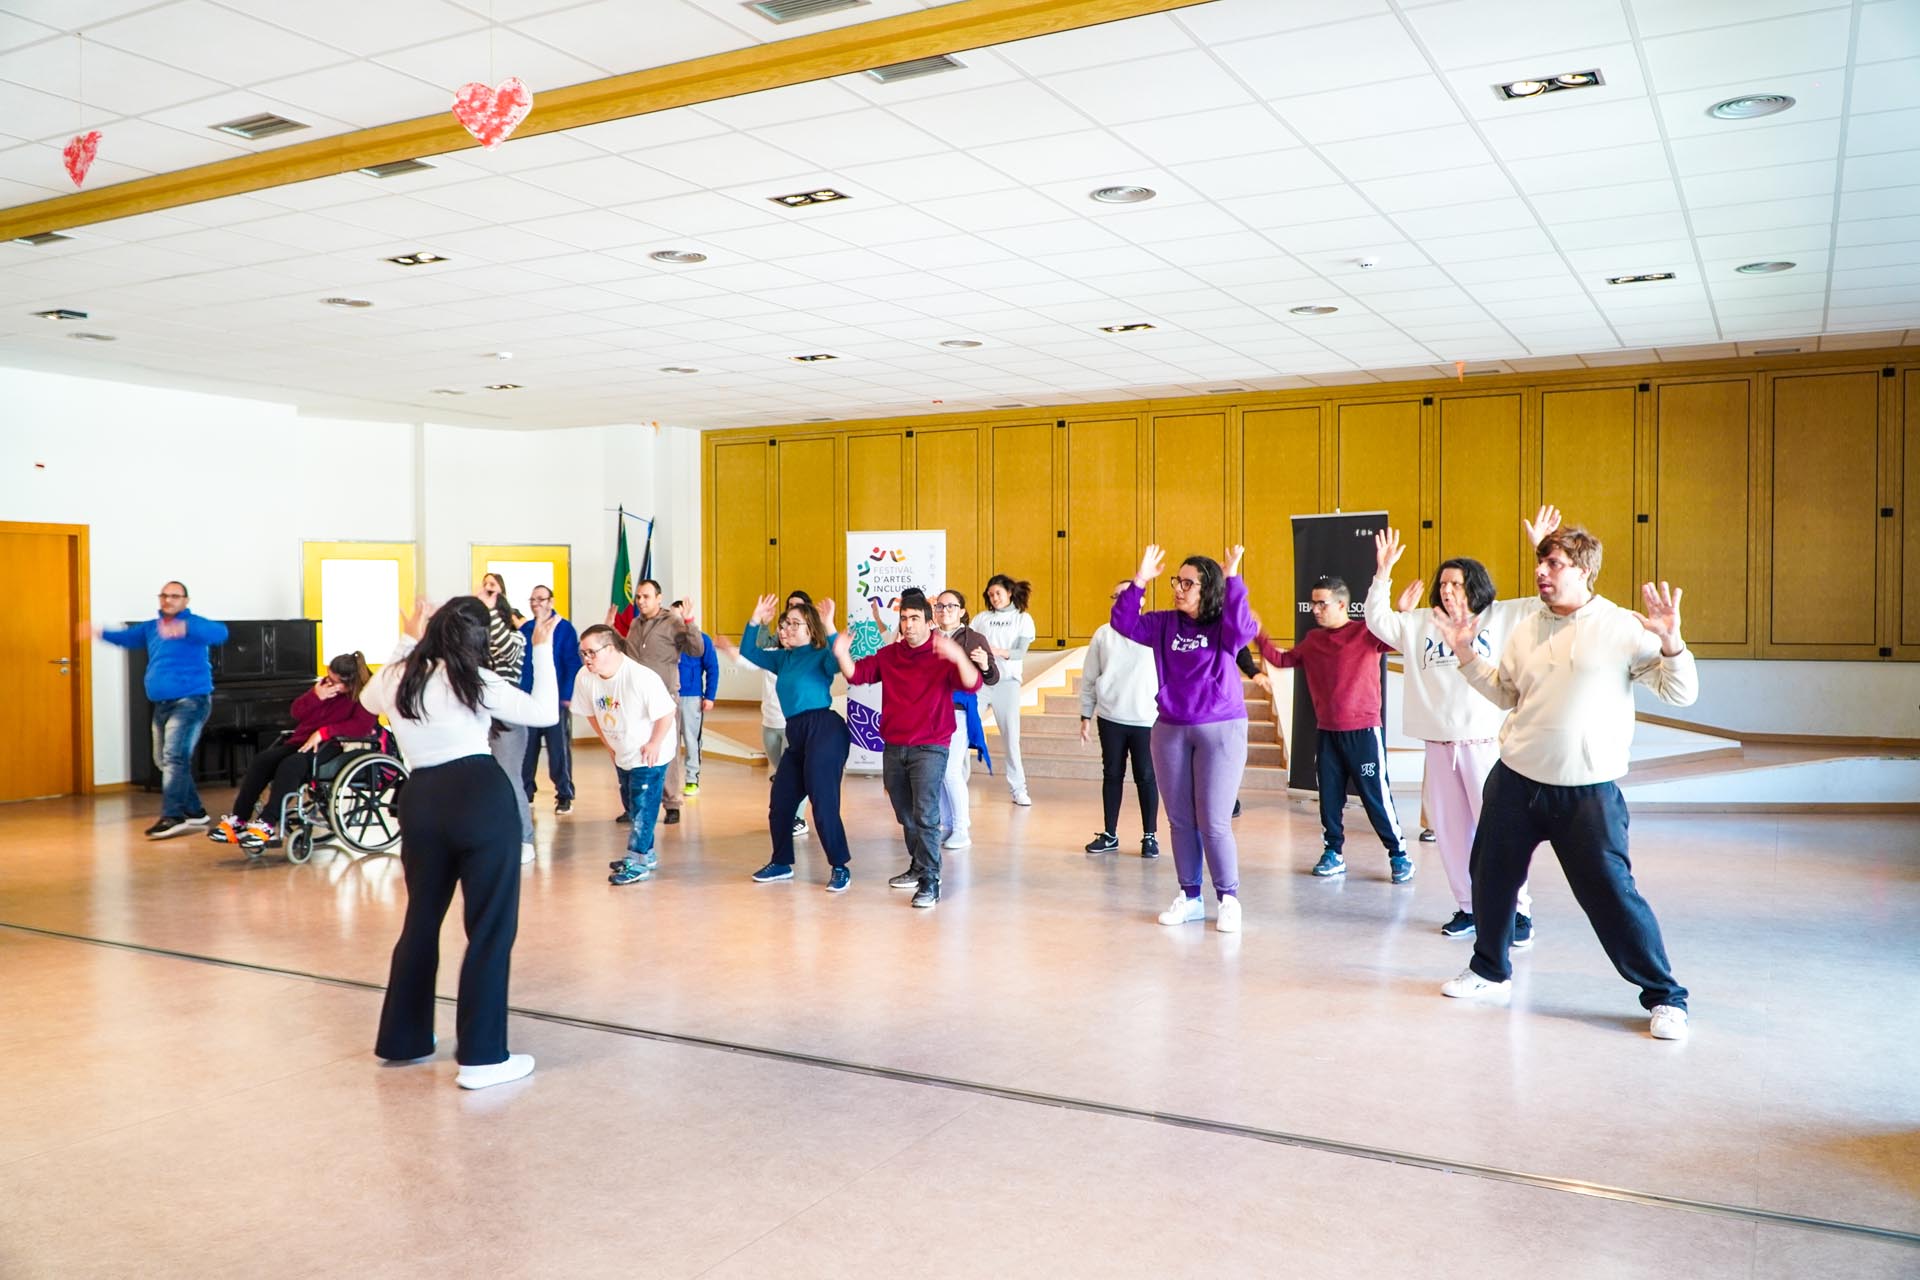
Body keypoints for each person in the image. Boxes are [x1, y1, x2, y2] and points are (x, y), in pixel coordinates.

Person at [1434, 525, 1698, 1042]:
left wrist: (1671, 643)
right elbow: (1508, 694)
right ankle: (1489, 969)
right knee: (1489, 876)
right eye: (1540, 562)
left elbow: (1680, 693)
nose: (1541, 572)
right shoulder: (1526, 628)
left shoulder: (1623, 627)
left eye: (1553, 564)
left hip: (1588, 792)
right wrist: (1466, 655)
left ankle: (1666, 997)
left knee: (1612, 895)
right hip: (1515, 779)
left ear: (1584, 570)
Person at [363, 596, 559, 1090]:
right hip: (479, 797)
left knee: (421, 921)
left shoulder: (399, 676)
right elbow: (545, 713)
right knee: (490, 927)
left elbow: (367, 700)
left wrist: (406, 637)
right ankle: (482, 1057)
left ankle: (404, 1040)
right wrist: (541, 650)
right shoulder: (473, 677)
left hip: (421, 799)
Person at [1365, 507, 1563, 940]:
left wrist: (1542, 548)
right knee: (1452, 835)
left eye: (1457, 583)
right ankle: (1469, 907)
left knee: (1500, 832)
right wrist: (1383, 574)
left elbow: (1551, 601)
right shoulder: (1421, 623)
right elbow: (1377, 622)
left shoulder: (1502, 617)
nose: (1449, 590)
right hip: (1438, 746)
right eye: (1443, 583)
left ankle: (1519, 912)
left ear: (1475, 587)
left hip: (1485, 745)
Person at [1110, 545, 1255, 932]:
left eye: (1188, 583)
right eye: (1177, 581)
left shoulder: (1223, 623)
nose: (1179, 588)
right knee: (1179, 820)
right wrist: (1139, 580)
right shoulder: (1163, 624)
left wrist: (1234, 577)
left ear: (1208, 589)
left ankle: (1229, 899)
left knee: (1214, 820)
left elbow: (1244, 629)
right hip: (1171, 728)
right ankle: (1190, 896)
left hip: (1220, 729)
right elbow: (1123, 624)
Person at [1256, 575, 1412, 884]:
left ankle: (1399, 855)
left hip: (1364, 731)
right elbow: (1281, 659)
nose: (1315, 609)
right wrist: (1258, 633)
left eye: (1321, 603)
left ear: (1341, 604)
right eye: (1312, 603)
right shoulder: (1313, 640)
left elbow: (1399, 639)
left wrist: (1403, 613)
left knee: (1375, 796)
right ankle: (1333, 852)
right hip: (1327, 733)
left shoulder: (1366, 633)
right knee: (1329, 797)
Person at [833, 588, 981, 909]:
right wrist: (842, 652)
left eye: (915, 618)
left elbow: (972, 684)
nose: (908, 625)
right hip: (895, 745)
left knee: (926, 814)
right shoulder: (890, 655)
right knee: (905, 813)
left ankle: (931, 879)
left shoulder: (942, 654)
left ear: (929, 623)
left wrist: (957, 656)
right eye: (903, 619)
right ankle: (918, 866)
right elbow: (857, 675)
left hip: (931, 745)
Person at [723, 594, 854, 890]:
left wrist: (831, 626)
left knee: (823, 802)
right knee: (780, 802)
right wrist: (756, 620)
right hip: (796, 732)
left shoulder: (820, 653)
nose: (787, 629)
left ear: (811, 629)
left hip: (825, 729)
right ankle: (781, 862)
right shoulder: (782, 658)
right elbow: (747, 652)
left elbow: (838, 659)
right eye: (785, 624)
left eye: (795, 624)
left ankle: (839, 866)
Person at [96, 581, 229, 838]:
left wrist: (185, 627)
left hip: (191, 701)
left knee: (174, 758)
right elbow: (127, 638)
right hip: (162, 703)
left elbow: (220, 633)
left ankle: (173, 816)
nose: (168, 600)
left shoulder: (195, 625)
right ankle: (195, 812)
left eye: (175, 596)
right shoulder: (151, 627)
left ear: (185, 601)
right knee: (165, 760)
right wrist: (100, 632)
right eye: (164, 596)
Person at [213, 652, 377, 856]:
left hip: (336, 746)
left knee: (291, 765)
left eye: (336, 682)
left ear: (350, 683)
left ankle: (267, 823)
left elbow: (361, 726)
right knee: (262, 761)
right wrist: (316, 697)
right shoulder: (324, 688)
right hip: (302, 741)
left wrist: (324, 732)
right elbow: (296, 712)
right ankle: (238, 819)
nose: (330, 683)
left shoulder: (367, 695)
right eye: (329, 678)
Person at [573, 623, 678, 886]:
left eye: (591, 653)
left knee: (644, 807)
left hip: (651, 752)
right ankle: (648, 853)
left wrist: (654, 743)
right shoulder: (584, 678)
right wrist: (608, 744)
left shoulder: (641, 677)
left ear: (610, 649)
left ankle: (637, 860)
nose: (587, 659)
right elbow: (590, 713)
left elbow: (667, 713)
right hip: (623, 750)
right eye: (582, 653)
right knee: (631, 804)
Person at [608, 579, 704, 824]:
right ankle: (632, 807)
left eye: (646, 597)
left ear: (659, 598)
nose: (640, 601)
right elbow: (627, 652)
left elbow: (696, 649)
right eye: (638, 597)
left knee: (666, 751)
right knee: (631, 749)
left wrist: (690, 622)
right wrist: (610, 632)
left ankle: (672, 804)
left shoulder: (673, 622)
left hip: (664, 697)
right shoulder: (635, 623)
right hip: (634, 698)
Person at [1080, 580, 1160, 858]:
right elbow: (1090, 677)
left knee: (1146, 777)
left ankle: (1150, 836)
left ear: (1141, 599)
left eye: (1126, 595)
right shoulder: (1103, 634)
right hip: (1112, 718)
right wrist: (1085, 714)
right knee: (1112, 775)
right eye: (1116, 596)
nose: (1120, 600)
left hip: (1146, 719)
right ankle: (1110, 834)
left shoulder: (1153, 631)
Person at [930, 588, 1000, 852]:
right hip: (929, 711)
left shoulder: (973, 638)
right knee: (936, 772)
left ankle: (961, 828)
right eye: (939, 606)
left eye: (950, 606)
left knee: (950, 770)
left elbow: (992, 677)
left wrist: (984, 665)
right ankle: (946, 825)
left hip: (958, 710)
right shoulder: (929, 635)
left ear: (961, 611)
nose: (944, 611)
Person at [477, 573, 534, 862]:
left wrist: (489, 610)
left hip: (508, 720)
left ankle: (525, 839)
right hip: (480, 719)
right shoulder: (480, 646)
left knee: (510, 779)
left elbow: (503, 645)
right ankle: (492, 837)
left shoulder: (516, 639)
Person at [518, 585, 580, 816]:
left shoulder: (564, 629)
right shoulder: (526, 629)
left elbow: (572, 664)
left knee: (559, 751)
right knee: (526, 750)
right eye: (532, 599)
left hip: (555, 702)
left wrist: (566, 695)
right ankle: (526, 792)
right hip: (528, 700)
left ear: (551, 602)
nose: (536, 603)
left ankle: (564, 794)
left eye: (541, 599)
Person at [975, 573, 1036, 806]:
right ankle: (956, 782)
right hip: (981, 682)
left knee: (1011, 738)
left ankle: (1018, 789)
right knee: (962, 730)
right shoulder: (981, 619)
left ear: (1009, 593)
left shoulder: (1023, 619)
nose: (994, 598)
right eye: (990, 595)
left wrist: (995, 651)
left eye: (998, 593)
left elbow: (1019, 653)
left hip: (1007, 682)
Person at [673, 602, 720, 797]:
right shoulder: (666, 640)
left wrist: (709, 696)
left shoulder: (703, 640)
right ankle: (669, 781)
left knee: (692, 741)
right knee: (669, 742)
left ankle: (692, 779)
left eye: (680, 617)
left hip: (691, 698)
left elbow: (712, 669)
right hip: (668, 698)